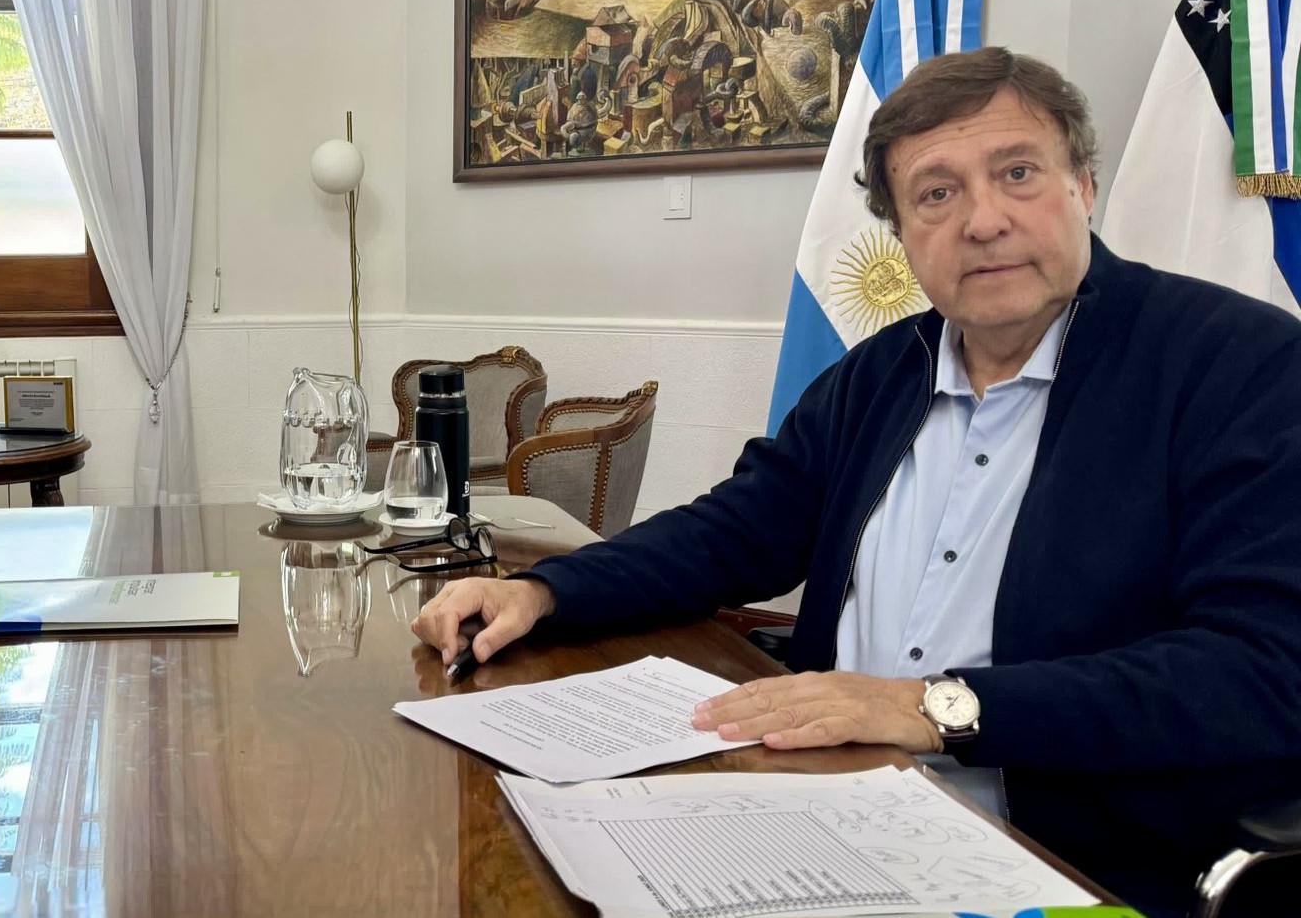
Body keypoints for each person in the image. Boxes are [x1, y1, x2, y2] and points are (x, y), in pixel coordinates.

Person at [412, 48, 1301, 915]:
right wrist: (546, 589)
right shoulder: (882, 372)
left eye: (1018, 173)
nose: (983, 219)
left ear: (1084, 187)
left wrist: (934, 707)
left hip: (1064, 860)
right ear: (903, 236)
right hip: (816, 814)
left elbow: (1263, 669)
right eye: (937, 193)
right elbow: (735, 530)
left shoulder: (1237, 367)